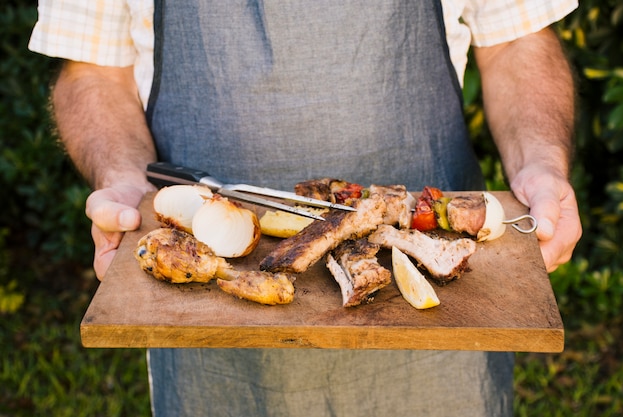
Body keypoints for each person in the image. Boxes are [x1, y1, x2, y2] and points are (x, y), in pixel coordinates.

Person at [30, 1, 582, 416]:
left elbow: (517, 40)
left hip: (443, 334)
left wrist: (542, 164)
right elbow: (93, 68)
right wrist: (123, 179)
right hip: (212, 337)